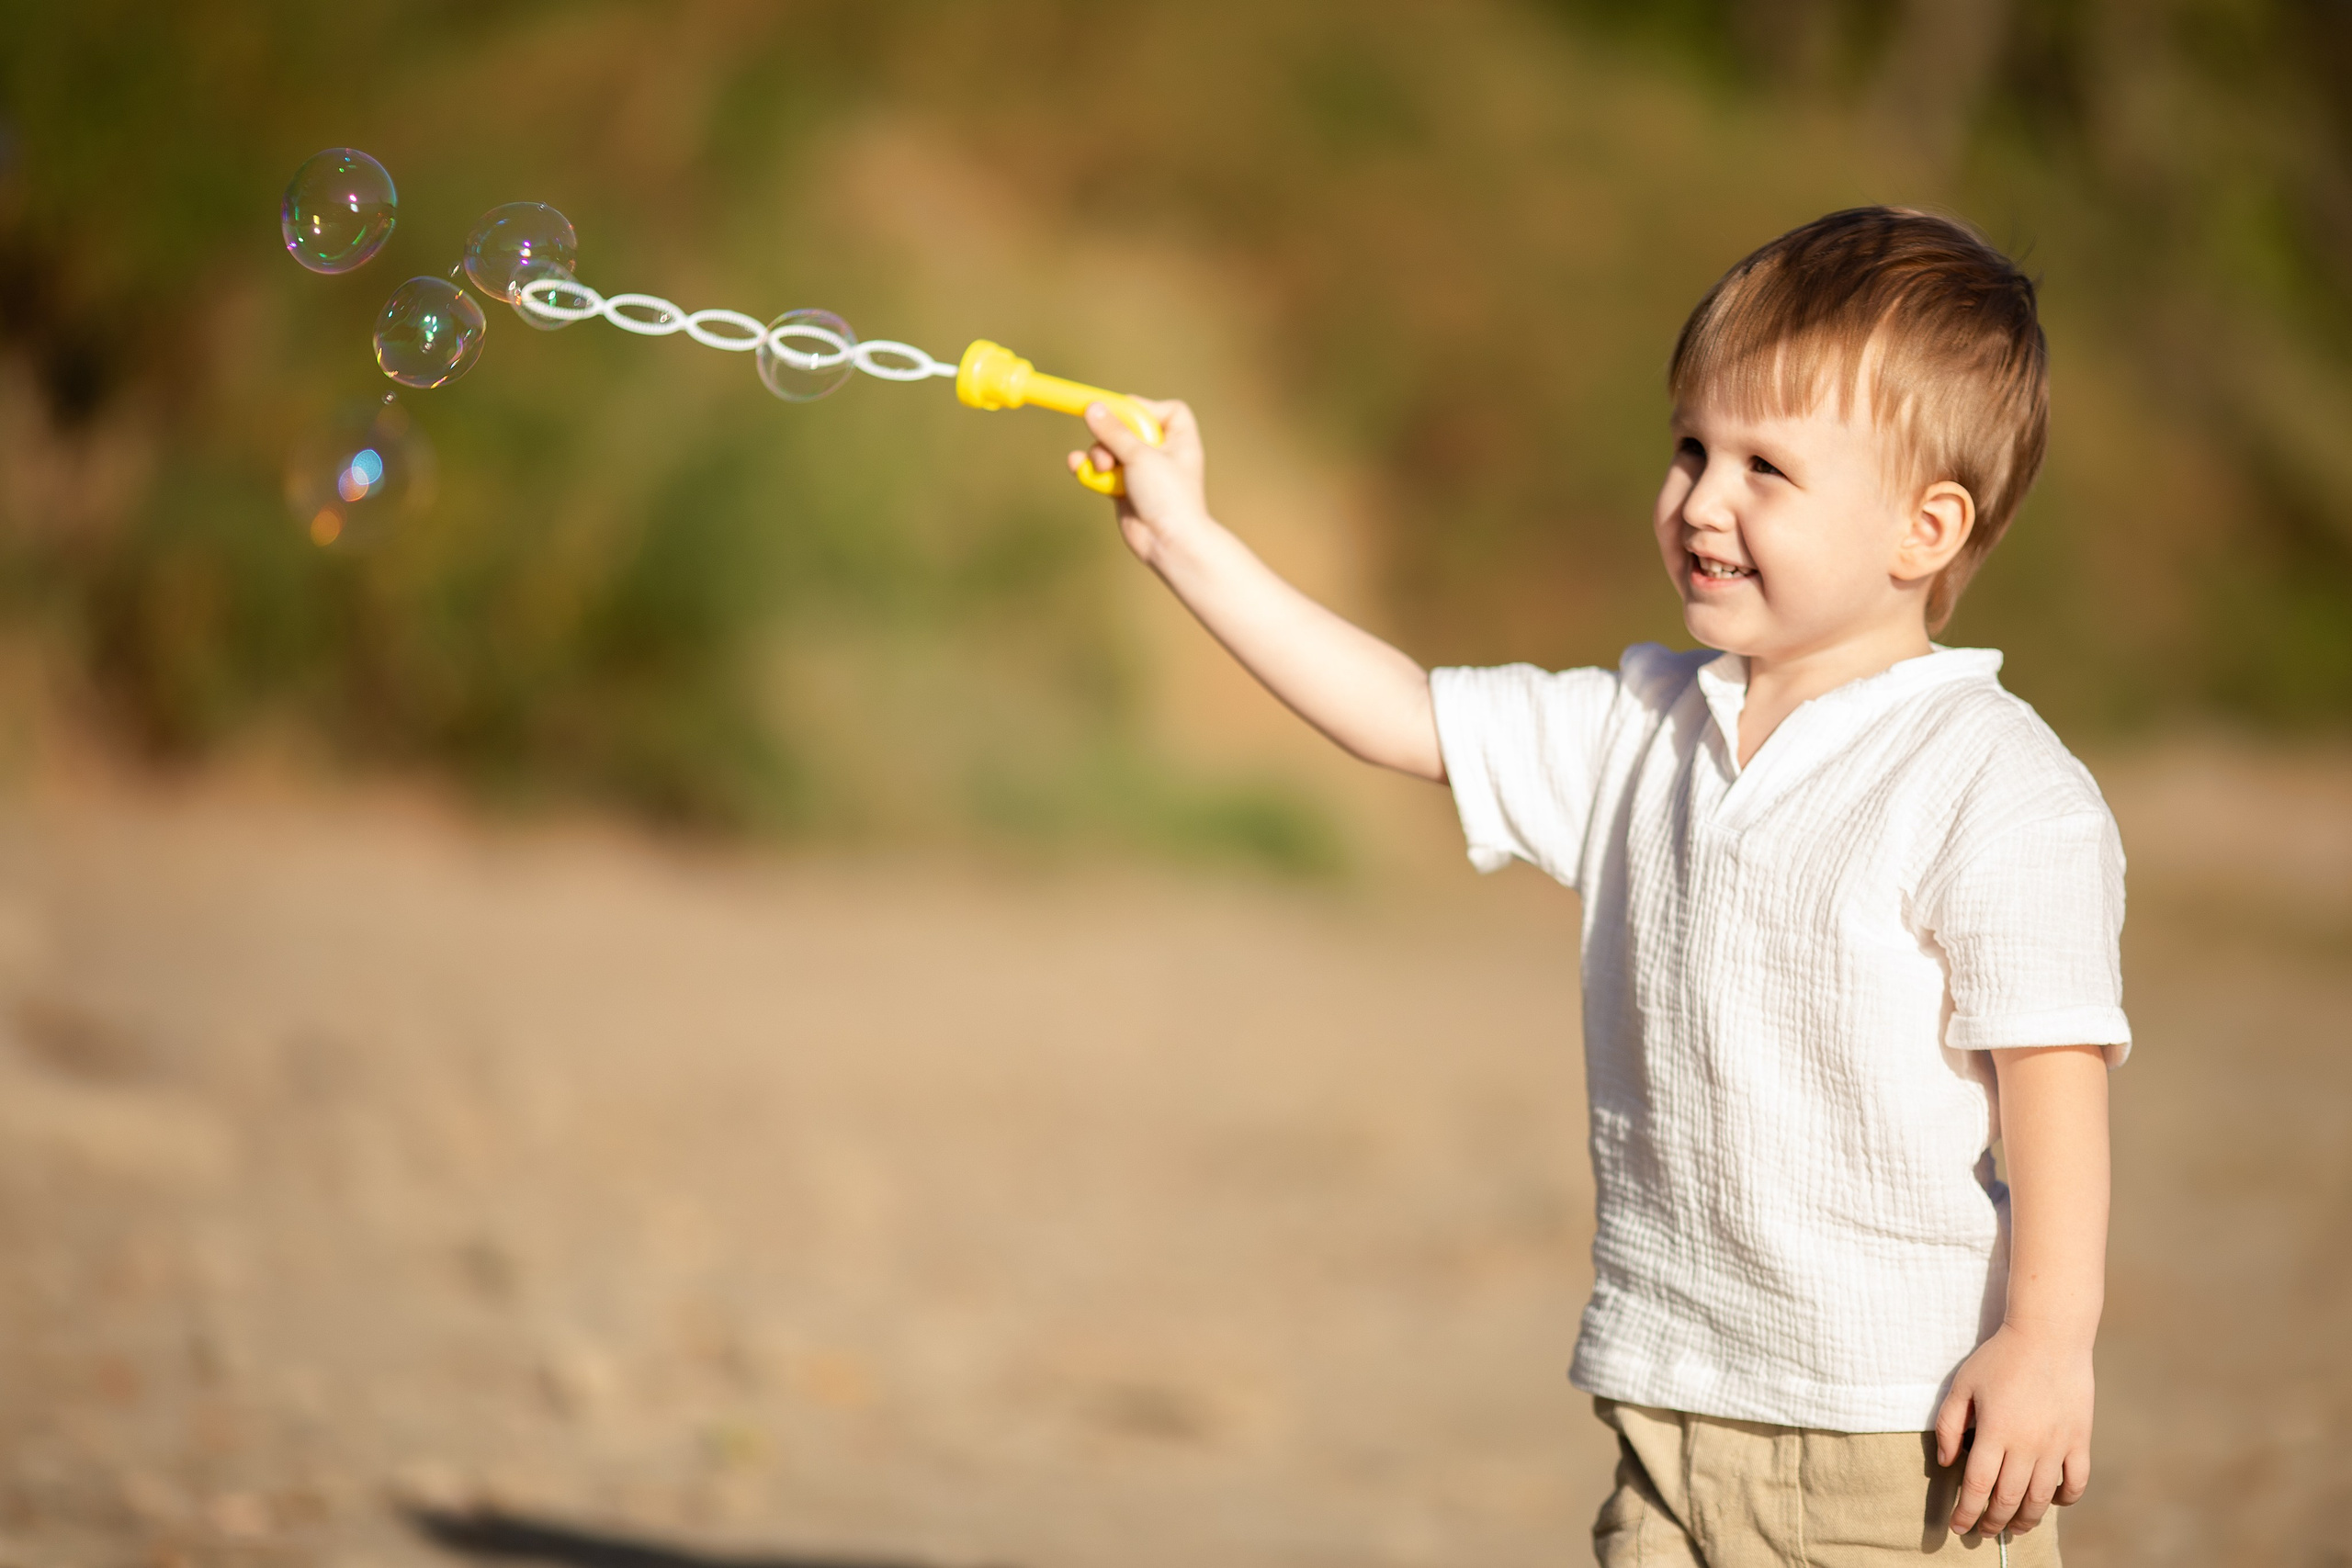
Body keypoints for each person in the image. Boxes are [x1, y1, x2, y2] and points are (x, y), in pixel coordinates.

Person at [1069, 206, 2128, 1565]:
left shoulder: (1992, 782)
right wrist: (1184, 541)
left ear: (1924, 529)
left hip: (1898, 1433)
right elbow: (1403, 714)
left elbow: (2054, 1074)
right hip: (1669, 1400)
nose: (1701, 501)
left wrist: (2047, 1341)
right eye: (1691, 448)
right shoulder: (1645, 727)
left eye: (1766, 467)